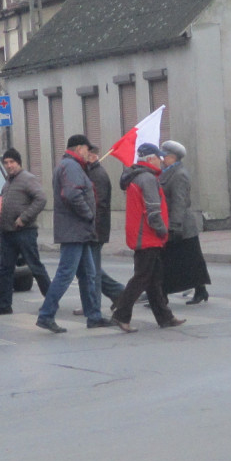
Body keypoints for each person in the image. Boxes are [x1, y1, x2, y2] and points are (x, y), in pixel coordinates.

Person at [35, 135, 111, 334]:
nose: (90, 153)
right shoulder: (71, 166)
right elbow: (72, 194)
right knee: (66, 274)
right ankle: (46, 315)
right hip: (74, 230)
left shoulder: (71, 165)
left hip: (78, 230)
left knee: (88, 274)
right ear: (79, 148)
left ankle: (94, 316)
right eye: (88, 149)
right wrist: (88, 214)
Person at [111, 143, 186, 332]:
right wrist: (162, 230)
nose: (161, 161)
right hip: (148, 236)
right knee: (143, 277)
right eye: (159, 157)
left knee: (153, 279)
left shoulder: (138, 177)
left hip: (142, 235)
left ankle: (165, 317)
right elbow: (153, 211)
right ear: (150, 159)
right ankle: (121, 314)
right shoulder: (147, 178)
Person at [0, 148, 51, 316]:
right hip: (8, 232)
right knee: (5, 269)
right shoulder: (8, 181)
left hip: (25, 231)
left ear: (19, 163)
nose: (9, 165)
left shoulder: (28, 179)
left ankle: (51, 300)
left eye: (12, 162)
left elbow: (41, 199)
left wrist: (24, 218)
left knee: (34, 266)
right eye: (6, 163)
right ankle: (4, 305)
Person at [159, 139, 211, 304]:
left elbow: (179, 202)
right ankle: (199, 290)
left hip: (181, 224)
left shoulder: (179, 174)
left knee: (188, 260)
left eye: (165, 156)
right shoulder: (167, 172)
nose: (162, 159)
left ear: (173, 157)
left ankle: (165, 294)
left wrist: (175, 226)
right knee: (186, 260)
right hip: (175, 222)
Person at [85, 143, 126, 310]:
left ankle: (96, 303)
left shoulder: (98, 175)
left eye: (86, 154)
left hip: (96, 229)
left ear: (93, 156)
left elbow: (99, 204)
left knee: (92, 269)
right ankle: (117, 293)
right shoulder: (89, 173)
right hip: (93, 228)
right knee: (90, 267)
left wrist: (93, 229)